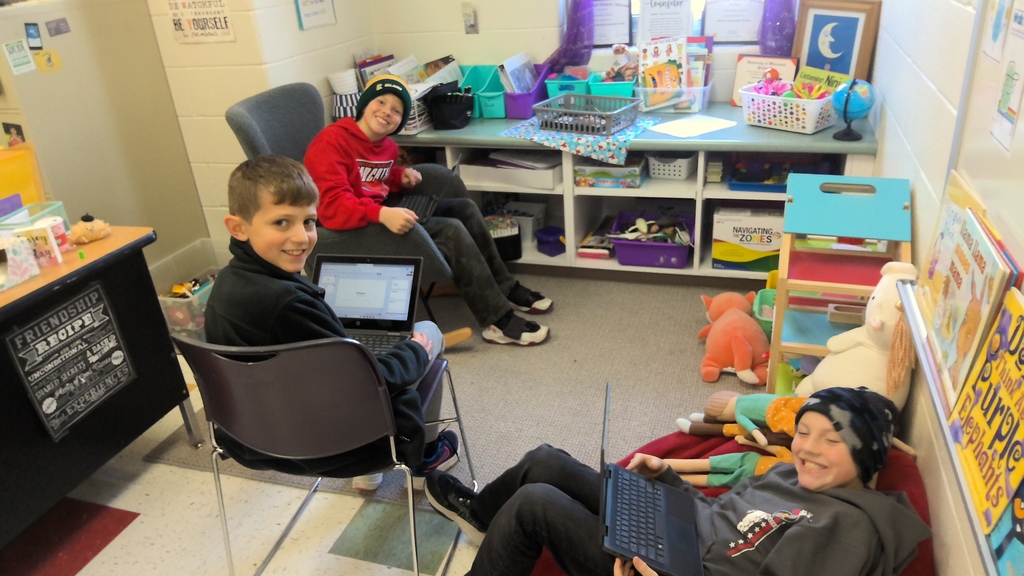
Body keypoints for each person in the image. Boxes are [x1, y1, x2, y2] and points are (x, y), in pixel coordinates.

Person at [425, 387, 930, 576]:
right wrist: (667, 478)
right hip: (683, 530)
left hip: (674, 570)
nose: (808, 449)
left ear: (866, 457)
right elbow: (720, 512)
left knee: (537, 502)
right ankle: (483, 518)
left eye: (831, 440)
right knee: (546, 461)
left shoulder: (846, 527)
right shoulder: (788, 472)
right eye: (802, 432)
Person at [204, 155, 458, 491]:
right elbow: (372, 380)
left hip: (250, 434)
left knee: (365, 351)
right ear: (238, 227)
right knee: (428, 332)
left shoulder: (225, 283)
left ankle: (372, 476)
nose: (301, 237)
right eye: (281, 222)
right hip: (331, 444)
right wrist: (414, 351)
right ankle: (424, 458)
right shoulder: (290, 303)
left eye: (308, 222)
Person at [304, 74, 552, 346]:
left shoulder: (387, 146)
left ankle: (505, 287)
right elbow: (331, 208)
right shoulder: (331, 142)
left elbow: (375, 179)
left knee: (466, 209)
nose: (387, 112)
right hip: (352, 230)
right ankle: (497, 319)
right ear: (364, 104)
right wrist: (381, 214)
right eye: (381, 102)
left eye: (397, 110)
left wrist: (400, 176)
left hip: (380, 213)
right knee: (450, 230)